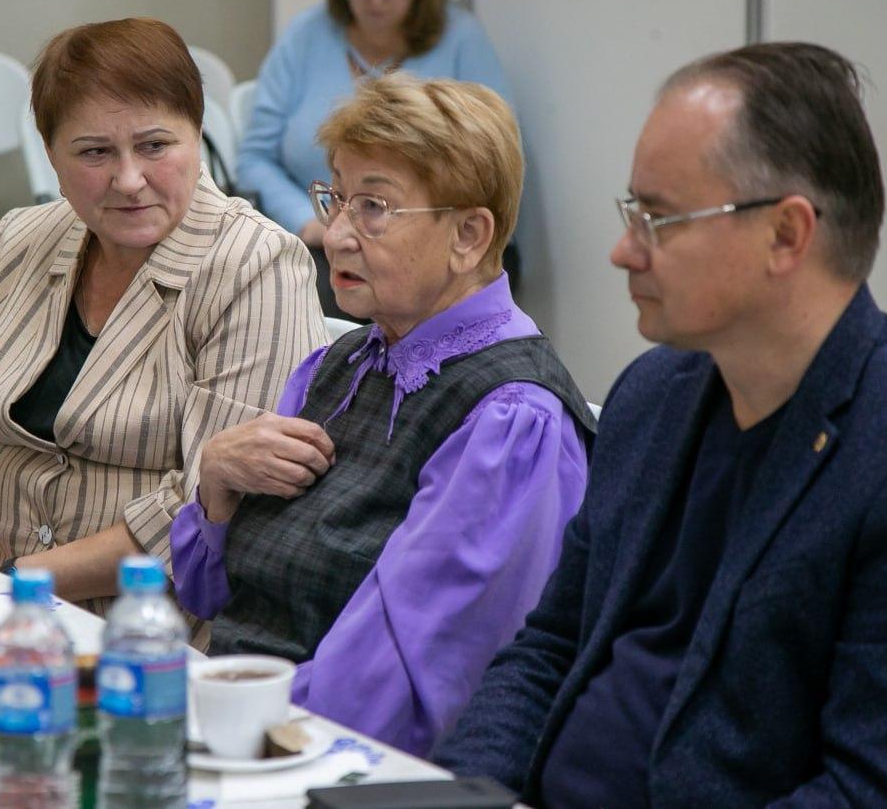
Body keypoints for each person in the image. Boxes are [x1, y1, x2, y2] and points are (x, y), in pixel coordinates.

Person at [434, 42, 887, 807]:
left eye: (658, 218)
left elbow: (875, 790)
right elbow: (550, 647)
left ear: (786, 235)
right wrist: (462, 797)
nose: (623, 250)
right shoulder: (652, 395)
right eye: (632, 213)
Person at [172, 73, 597, 757]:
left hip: (330, 757)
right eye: (335, 197)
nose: (334, 234)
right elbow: (206, 592)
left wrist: (219, 729)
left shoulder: (511, 421)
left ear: (468, 234)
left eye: (374, 206)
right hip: (246, 718)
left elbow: (400, 684)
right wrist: (216, 486)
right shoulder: (339, 365)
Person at [0, 18, 325, 618]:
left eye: (155, 146)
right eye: (95, 152)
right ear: (51, 157)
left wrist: (13, 586)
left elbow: (216, 503)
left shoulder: (255, 265)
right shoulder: (21, 240)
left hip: (146, 621)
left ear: (198, 136)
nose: (129, 181)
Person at [237, 0, 516, 317]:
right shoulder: (305, 35)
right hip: (317, 243)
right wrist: (307, 220)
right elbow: (254, 158)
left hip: (427, 243)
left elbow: (496, 163)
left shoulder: (462, 37)